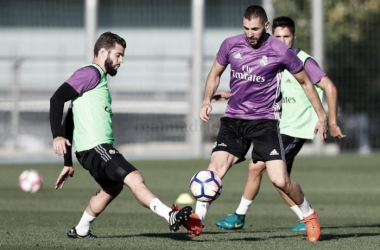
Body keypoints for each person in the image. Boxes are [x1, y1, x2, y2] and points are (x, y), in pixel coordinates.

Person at [181, 5, 328, 242]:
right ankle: (198, 221)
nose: (250, 33)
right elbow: (214, 74)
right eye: (246, 28)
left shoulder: (280, 51)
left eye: (255, 29)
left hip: (265, 122)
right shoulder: (230, 44)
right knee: (214, 170)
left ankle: (309, 215)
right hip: (234, 120)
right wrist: (206, 100)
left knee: (280, 180)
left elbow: (307, 83)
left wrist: (322, 116)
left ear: (266, 26)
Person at [49, 31, 192, 238]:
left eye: (122, 56)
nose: (121, 61)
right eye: (118, 55)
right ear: (102, 52)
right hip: (96, 147)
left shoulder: (97, 81)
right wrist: (56, 136)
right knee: (134, 177)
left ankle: (81, 229)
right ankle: (169, 214)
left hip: (91, 150)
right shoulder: (91, 73)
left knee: (113, 187)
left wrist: (67, 162)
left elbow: (70, 118)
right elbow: (56, 98)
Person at [214, 16, 346, 232]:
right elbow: (265, 90)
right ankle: (304, 217)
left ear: (294, 37)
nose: (282, 41)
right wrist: (230, 95)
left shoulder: (303, 61)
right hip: (276, 126)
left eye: (286, 36)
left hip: (295, 128)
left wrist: (331, 121)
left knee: (259, 167)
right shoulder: (273, 58)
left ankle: (240, 215)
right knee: (279, 179)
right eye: (277, 37)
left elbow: (330, 88)